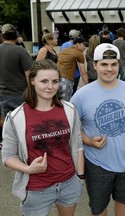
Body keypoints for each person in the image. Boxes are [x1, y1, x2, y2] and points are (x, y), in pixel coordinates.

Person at [70, 43, 125, 216]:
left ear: (119, 64)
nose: (109, 69)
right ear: (94, 65)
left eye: (113, 64)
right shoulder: (80, 96)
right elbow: (71, 130)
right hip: (97, 163)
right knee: (99, 208)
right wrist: (87, 141)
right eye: (104, 64)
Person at [1, 59, 84, 216]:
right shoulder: (16, 117)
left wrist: (80, 176)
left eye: (55, 81)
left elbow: (78, 143)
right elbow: (7, 156)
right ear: (32, 81)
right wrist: (28, 169)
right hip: (36, 189)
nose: (50, 87)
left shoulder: (70, 110)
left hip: (68, 183)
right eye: (44, 81)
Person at [0, 24, 33, 147]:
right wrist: (32, 92)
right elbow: (29, 74)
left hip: (2, 94)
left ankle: (10, 147)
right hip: (20, 94)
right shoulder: (20, 51)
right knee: (22, 124)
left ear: (2, 35)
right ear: (16, 35)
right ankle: (22, 148)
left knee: (7, 124)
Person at [57, 36, 88, 101]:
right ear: (77, 44)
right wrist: (88, 86)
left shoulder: (65, 50)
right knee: (66, 102)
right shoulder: (79, 54)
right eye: (84, 45)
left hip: (57, 78)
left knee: (59, 100)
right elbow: (83, 72)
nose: (85, 47)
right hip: (66, 80)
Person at [60, 29, 82, 95]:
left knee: (65, 93)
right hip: (75, 74)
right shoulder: (77, 46)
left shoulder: (64, 45)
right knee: (73, 92)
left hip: (64, 74)